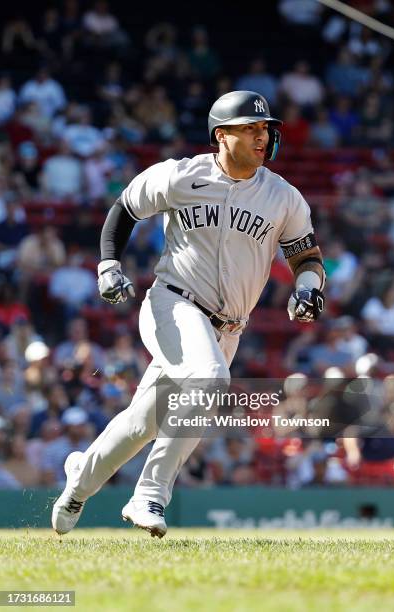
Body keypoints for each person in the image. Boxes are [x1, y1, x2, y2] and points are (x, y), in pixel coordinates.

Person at [52, 90, 326, 538]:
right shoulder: (180, 175)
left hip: (229, 328)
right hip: (173, 303)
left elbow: (306, 257)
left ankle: (80, 481)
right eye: (250, 128)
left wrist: (308, 286)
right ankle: (150, 493)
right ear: (221, 135)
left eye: (265, 129)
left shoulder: (284, 196)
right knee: (210, 379)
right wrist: (108, 265)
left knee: (144, 421)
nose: (262, 137)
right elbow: (124, 208)